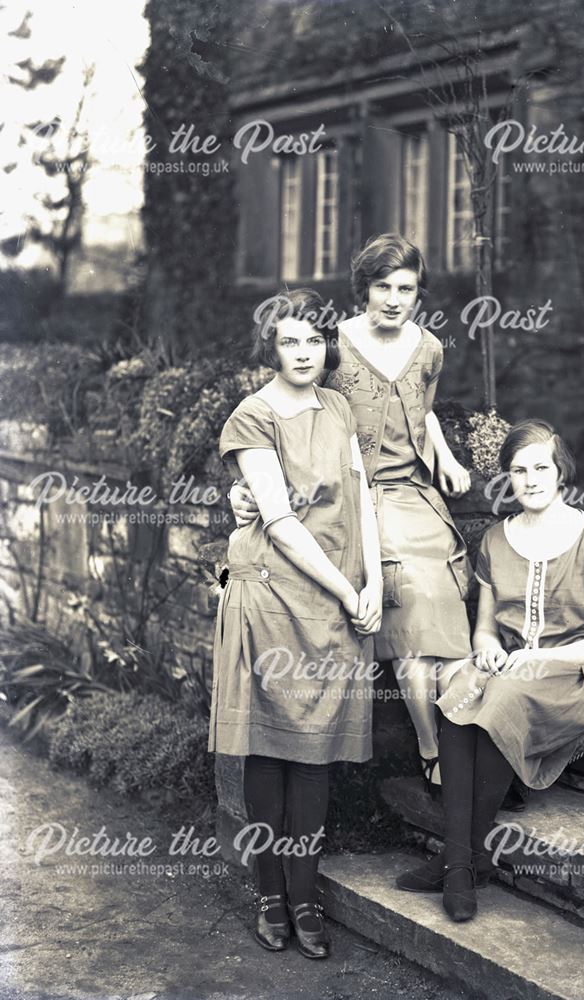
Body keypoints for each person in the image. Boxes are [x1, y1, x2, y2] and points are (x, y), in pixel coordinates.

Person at [230, 234, 473, 797]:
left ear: (419, 293)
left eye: (406, 289)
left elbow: (424, 410)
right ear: (363, 288)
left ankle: (466, 747)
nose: (393, 299)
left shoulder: (430, 348)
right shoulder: (328, 344)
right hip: (357, 500)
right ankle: (433, 749)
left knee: (448, 600)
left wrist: (448, 459)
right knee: (408, 597)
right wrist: (243, 492)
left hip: (415, 495)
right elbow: (286, 418)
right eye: (382, 286)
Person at [396, 418, 584, 921]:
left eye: (541, 467)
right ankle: (466, 863)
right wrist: (486, 646)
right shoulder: (495, 539)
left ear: (561, 472)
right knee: (460, 687)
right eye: (519, 469)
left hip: (573, 671)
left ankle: (455, 862)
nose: (531, 479)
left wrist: (541, 657)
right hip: (510, 667)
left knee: (503, 697)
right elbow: (486, 630)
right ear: (508, 477)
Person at [209, 288, 382, 959]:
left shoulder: (338, 406)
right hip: (275, 591)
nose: (304, 352)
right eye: (289, 342)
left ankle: (306, 896)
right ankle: (271, 896)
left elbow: (363, 494)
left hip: (336, 596)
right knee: (268, 748)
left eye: (313, 340)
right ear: (269, 349)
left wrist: (371, 581)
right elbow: (277, 521)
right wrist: (346, 588)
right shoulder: (252, 417)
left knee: (315, 754)